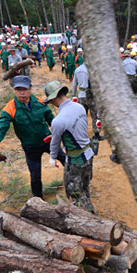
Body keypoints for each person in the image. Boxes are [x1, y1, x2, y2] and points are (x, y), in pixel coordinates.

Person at [0, 75, 65, 198]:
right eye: (18, 89)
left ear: (30, 88)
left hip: (48, 141)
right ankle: (38, 201)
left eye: (24, 89)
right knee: (35, 176)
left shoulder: (40, 102)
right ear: (14, 90)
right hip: (30, 148)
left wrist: (63, 135)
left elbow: (52, 120)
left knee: (65, 160)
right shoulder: (10, 108)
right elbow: (1, 126)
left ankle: (74, 183)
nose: (21, 93)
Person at [45, 81, 95, 213]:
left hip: (75, 161)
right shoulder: (79, 107)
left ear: (54, 98)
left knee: (74, 193)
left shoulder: (58, 120)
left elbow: (55, 143)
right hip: (88, 155)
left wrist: (52, 157)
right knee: (85, 187)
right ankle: (89, 207)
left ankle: (85, 218)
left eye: (51, 101)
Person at [72, 60, 102, 140]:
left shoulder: (77, 70)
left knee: (82, 116)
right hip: (91, 96)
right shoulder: (92, 70)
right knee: (94, 115)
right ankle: (96, 134)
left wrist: (74, 95)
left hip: (81, 96)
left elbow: (74, 84)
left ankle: (81, 135)